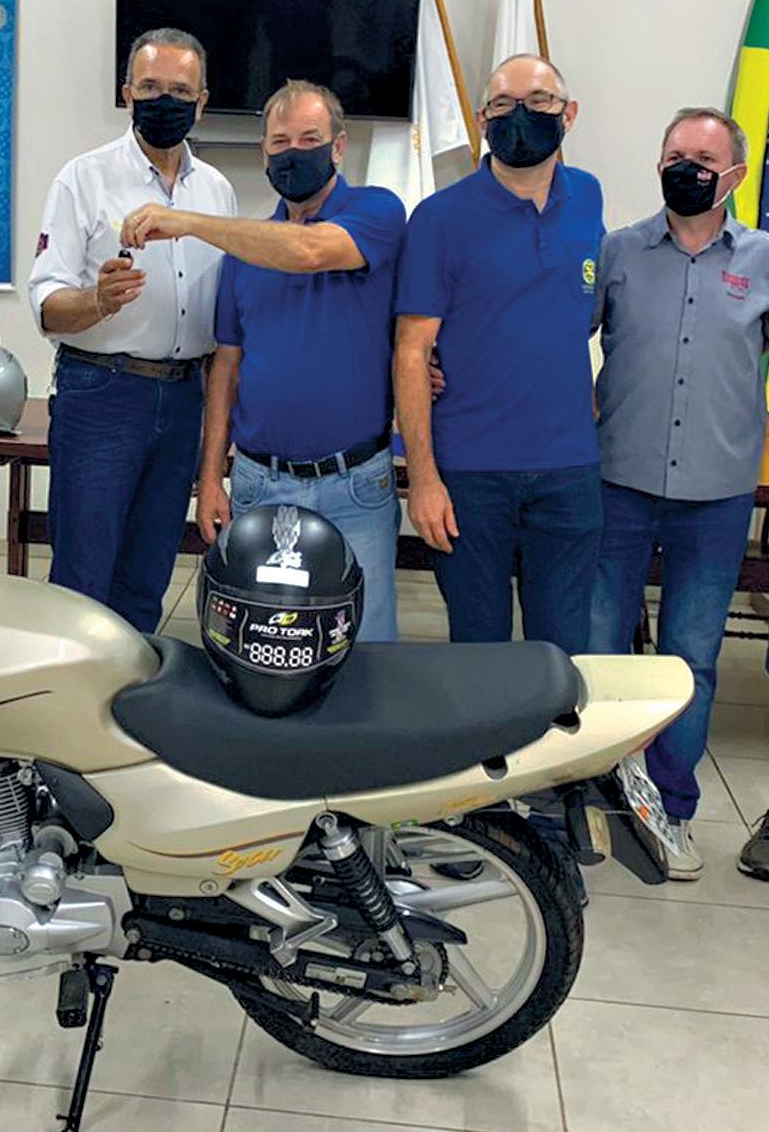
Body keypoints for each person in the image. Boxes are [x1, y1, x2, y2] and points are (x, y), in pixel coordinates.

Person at [121, 79, 405, 641]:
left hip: (354, 485)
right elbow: (225, 369)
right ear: (264, 152)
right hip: (259, 483)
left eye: (309, 139)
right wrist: (211, 477)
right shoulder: (244, 253)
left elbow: (309, 251)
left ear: (339, 147)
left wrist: (187, 222)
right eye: (280, 142)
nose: (293, 153)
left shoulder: (378, 211)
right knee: (258, 643)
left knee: (366, 646)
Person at [588, 107, 769, 879]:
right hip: (617, 485)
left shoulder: (762, 259)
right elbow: (554, 340)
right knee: (597, 651)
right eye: (672, 154)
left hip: (715, 494)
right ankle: (594, 800)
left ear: (735, 173)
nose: (683, 168)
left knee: (689, 658)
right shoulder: (617, 251)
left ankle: (671, 807)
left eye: (700, 156)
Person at [394, 54, 605, 653]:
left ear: (568, 114)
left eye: (538, 102)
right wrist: (424, 479)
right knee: (479, 652)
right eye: (504, 105)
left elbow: (580, 307)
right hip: (470, 474)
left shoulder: (588, 197)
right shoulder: (439, 218)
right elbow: (412, 351)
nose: (521, 115)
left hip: (569, 470)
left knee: (561, 651)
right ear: (482, 120)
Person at [29, 28, 234, 633]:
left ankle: (132, 685)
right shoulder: (83, 178)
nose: (165, 100)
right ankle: (74, 690)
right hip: (103, 392)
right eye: (150, 87)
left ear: (202, 102)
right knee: (83, 576)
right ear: (127, 94)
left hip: (184, 395)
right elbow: (47, 306)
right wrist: (96, 301)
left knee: (149, 573)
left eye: (181, 91)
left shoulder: (216, 191)